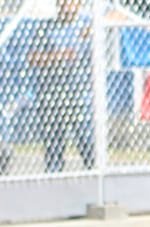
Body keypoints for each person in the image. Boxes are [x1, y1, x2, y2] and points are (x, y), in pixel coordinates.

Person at [28, 0, 96, 173]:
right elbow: (33, 58)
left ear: (79, 4)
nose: (67, 5)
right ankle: (54, 179)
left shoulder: (87, 24)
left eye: (71, 2)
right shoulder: (46, 28)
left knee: (87, 140)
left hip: (80, 94)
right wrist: (59, 56)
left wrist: (94, 29)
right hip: (52, 95)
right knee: (54, 145)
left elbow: (119, 13)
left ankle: (95, 178)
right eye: (63, 2)